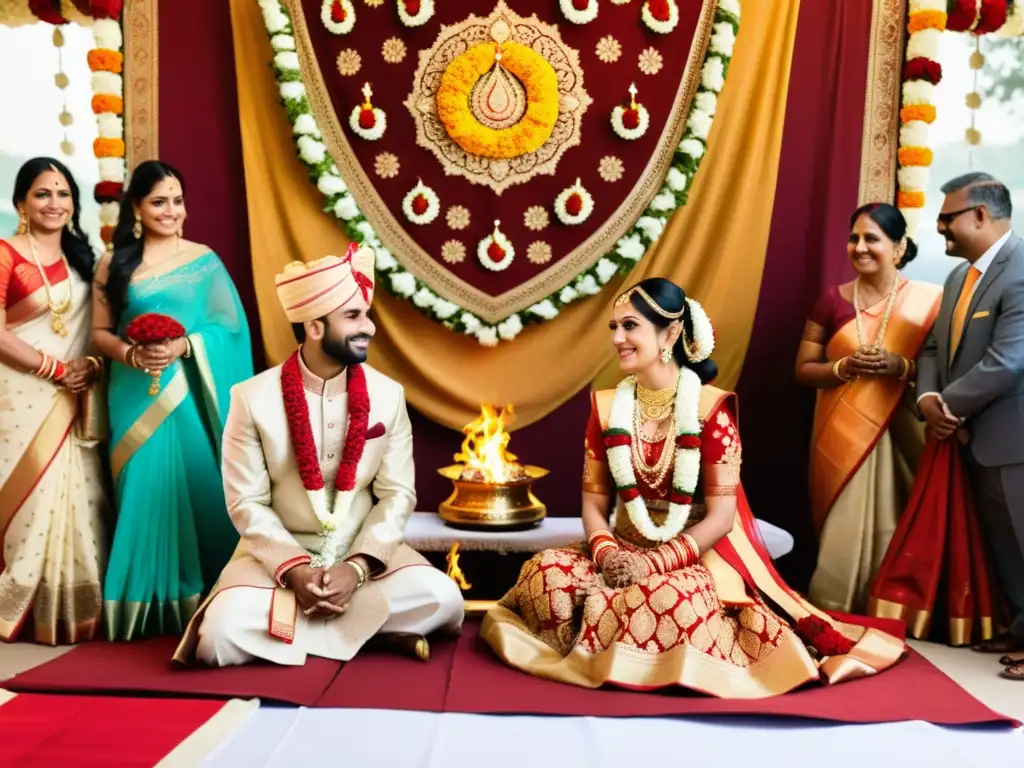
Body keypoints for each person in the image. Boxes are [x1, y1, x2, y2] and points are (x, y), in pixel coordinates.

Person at [482, 278, 905, 696]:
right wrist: (608, 553)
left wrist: (651, 565)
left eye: (630, 326)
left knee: (668, 601)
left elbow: (721, 519)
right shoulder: (608, 407)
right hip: (619, 550)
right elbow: (594, 505)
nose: (618, 338)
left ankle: (624, 650)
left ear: (669, 333)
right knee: (547, 573)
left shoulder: (710, 411)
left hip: (693, 556)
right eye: (614, 327)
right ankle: (610, 644)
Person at [173, 243, 464, 667]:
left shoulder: (387, 395)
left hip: (361, 555)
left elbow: (397, 495)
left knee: (444, 600)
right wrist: (295, 570)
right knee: (217, 636)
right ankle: (371, 633)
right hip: (277, 560)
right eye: (353, 317)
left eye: (366, 314)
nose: (370, 327)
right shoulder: (251, 399)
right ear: (313, 326)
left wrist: (358, 568)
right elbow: (246, 502)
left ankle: (297, 632)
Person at [92, 160, 252, 640]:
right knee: (140, 482)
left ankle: (217, 598)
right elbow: (98, 333)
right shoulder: (114, 263)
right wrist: (131, 354)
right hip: (132, 392)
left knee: (199, 482)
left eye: (177, 200)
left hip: (186, 391)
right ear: (137, 209)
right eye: (159, 201)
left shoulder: (203, 260)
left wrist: (185, 346)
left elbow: (230, 329)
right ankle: (139, 608)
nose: (171, 211)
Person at [797, 203, 941, 614]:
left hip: (906, 431)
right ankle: (837, 604)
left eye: (872, 239)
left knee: (903, 517)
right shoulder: (831, 301)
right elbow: (803, 369)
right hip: (841, 436)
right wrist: (843, 367)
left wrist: (902, 367)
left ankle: (898, 605)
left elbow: (945, 372)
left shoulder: (928, 302)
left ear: (898, 248)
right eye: (853, 237)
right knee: (845, 519)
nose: (860, 247)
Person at [916, 172, 1024, 680]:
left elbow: (1007, 362)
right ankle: (1019, 627)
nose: (940, 228)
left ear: (980, 215)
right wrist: (928, 399)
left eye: (947, 217)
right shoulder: (959, 277)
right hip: (971, 436)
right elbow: (935, 349)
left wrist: (947, 407)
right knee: (1003, 543)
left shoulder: (1021, 268)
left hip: (1012, 435)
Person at [0, 157, 108, 645]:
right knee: (32, 501)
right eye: (43, 193)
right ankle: (16, 609)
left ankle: (74, 611)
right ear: (21, 202)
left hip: (76, 400)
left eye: (63, 193)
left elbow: (100, 331)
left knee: (84, 499)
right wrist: (57, 370)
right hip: (20, 399)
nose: (54, 203)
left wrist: (92, 368)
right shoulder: (4, 253)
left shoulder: (84, 260)